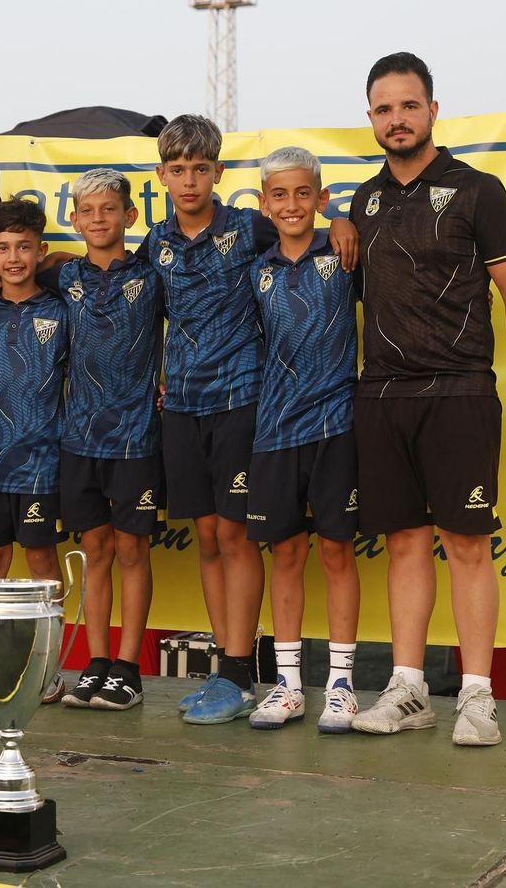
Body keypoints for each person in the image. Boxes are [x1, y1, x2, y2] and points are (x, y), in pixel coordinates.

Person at [348, 52, 506, 747]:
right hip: (382, 396)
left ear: (433, 110)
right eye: (383, 109)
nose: (396, 119)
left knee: (466, 545)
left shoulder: (478, 191)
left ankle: (477, 698)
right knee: (404, 544)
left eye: (408, 106)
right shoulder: (363, 203)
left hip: (460, 391)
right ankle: (409, 690)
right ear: (370, 118)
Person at [143, 115, 358, 726]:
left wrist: (342, 217)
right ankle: (226, 675)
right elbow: (120, 289)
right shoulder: (154, 242)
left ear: (218, 172)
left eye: (201, 169)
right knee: (208, 538)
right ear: (162, 175)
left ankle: (243, 668)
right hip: (181, 407)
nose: (189, 180)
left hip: (245, 402)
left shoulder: (250, 226)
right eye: (177, 170)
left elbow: (308, 223)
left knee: (238, 537)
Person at [245, 147, 362, 734]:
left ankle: (341, 684)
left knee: (338, 552)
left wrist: (342, 218)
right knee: (286, 554)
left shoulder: (343, 252)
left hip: (336, 424)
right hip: (273, 429)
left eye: (302, 194)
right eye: (279, 195)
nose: (291, 205)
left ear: (320, 198)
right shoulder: (256, 268)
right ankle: (288, 685)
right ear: (264, 204)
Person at [50, 169, 163, 712]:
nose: (98, 219)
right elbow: (11, 282)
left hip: (136, 438)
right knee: (94, 550)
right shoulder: (63, 276)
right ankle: (95, 665)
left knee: (130, 549)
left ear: (129, 216)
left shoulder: (154, 273)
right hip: (78, 439)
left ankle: (128, 670)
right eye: (87, 211)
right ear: (74, 219)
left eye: (109, 209)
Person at [0, 198, 70, 704]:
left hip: (42, 464)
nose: (15, 257)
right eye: (3, 248)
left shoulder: (62, 309)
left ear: (40, 250)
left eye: (24, 247)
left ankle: (48, 670)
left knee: (43, 561)